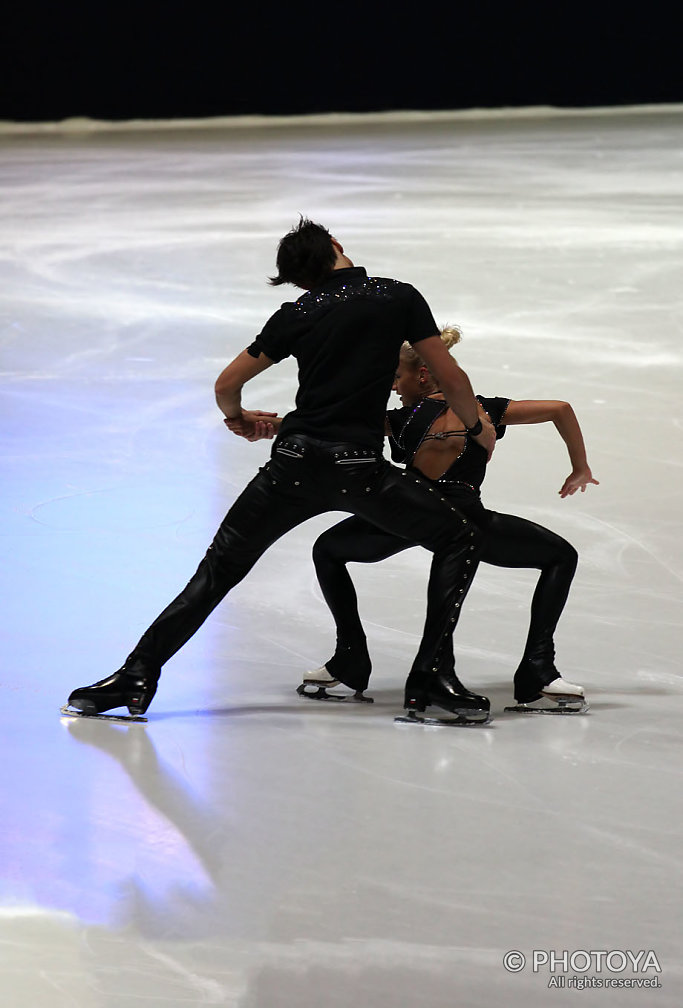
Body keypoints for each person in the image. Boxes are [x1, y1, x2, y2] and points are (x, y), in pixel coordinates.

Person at [66, 219, 497, 725]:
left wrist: (239, 418)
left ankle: (135, 676)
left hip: (291, 466)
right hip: (358, 470)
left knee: (218, 571)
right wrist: (474, 428)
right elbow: (450, 375)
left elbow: (226, 384)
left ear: (300, 279)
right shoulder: (397, 297)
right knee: (459, 537)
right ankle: (429, 680)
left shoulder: (297, 313)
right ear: (336, 246)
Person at [289, 327, 598, 710]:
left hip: (408, 515)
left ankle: (351, 657)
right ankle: (536, 668)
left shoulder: (399, 421)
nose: (394, 387)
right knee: (559, 556)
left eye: (397, 378)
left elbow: (330, 424)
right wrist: (579, 468)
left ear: (422, 375)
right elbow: (560, 409)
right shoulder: (484, 409)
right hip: (465, 518)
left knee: (329, 550)